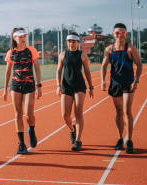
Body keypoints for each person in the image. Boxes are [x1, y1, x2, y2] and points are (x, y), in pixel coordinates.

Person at [100, 23, 142, 154]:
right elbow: (103, 66)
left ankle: (129, 140)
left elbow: (139, 65)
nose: (120, 35)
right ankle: (120, 138)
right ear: (113, 34)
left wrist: (136, 80)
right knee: (118, 111)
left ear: (126, 34)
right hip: (115, 84)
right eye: (117, 33)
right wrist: (102, 80)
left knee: (127, 111)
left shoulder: (130, 49)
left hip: (128, 83)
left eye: (122, 32)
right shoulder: (108, 49)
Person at [3, 27, 42, 154]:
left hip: (29, 85)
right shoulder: (11, 53)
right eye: (20, 36)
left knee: (29, 114)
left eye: (24, 36)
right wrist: (5, 89)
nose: (23, 38)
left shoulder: (32, 51)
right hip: (15, 86)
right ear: (15, 38)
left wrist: (39, 85)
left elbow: (37, 68)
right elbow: (8, 71)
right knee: (18, 114)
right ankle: (21, 144)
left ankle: (32, 129)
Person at [56, 32, 94, 151]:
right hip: (66, 86)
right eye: (69, 41)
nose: (71, 44)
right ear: (67, 42)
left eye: (74, 42)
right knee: (65, 115)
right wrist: (58, 85)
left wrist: (91, 87)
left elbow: (87, 71)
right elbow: (58, 71)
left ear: (78, 43)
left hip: (79, 86)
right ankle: (72, 130)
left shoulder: (82, 55)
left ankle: (78, 140)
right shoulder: (62, 55)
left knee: (78, 113)